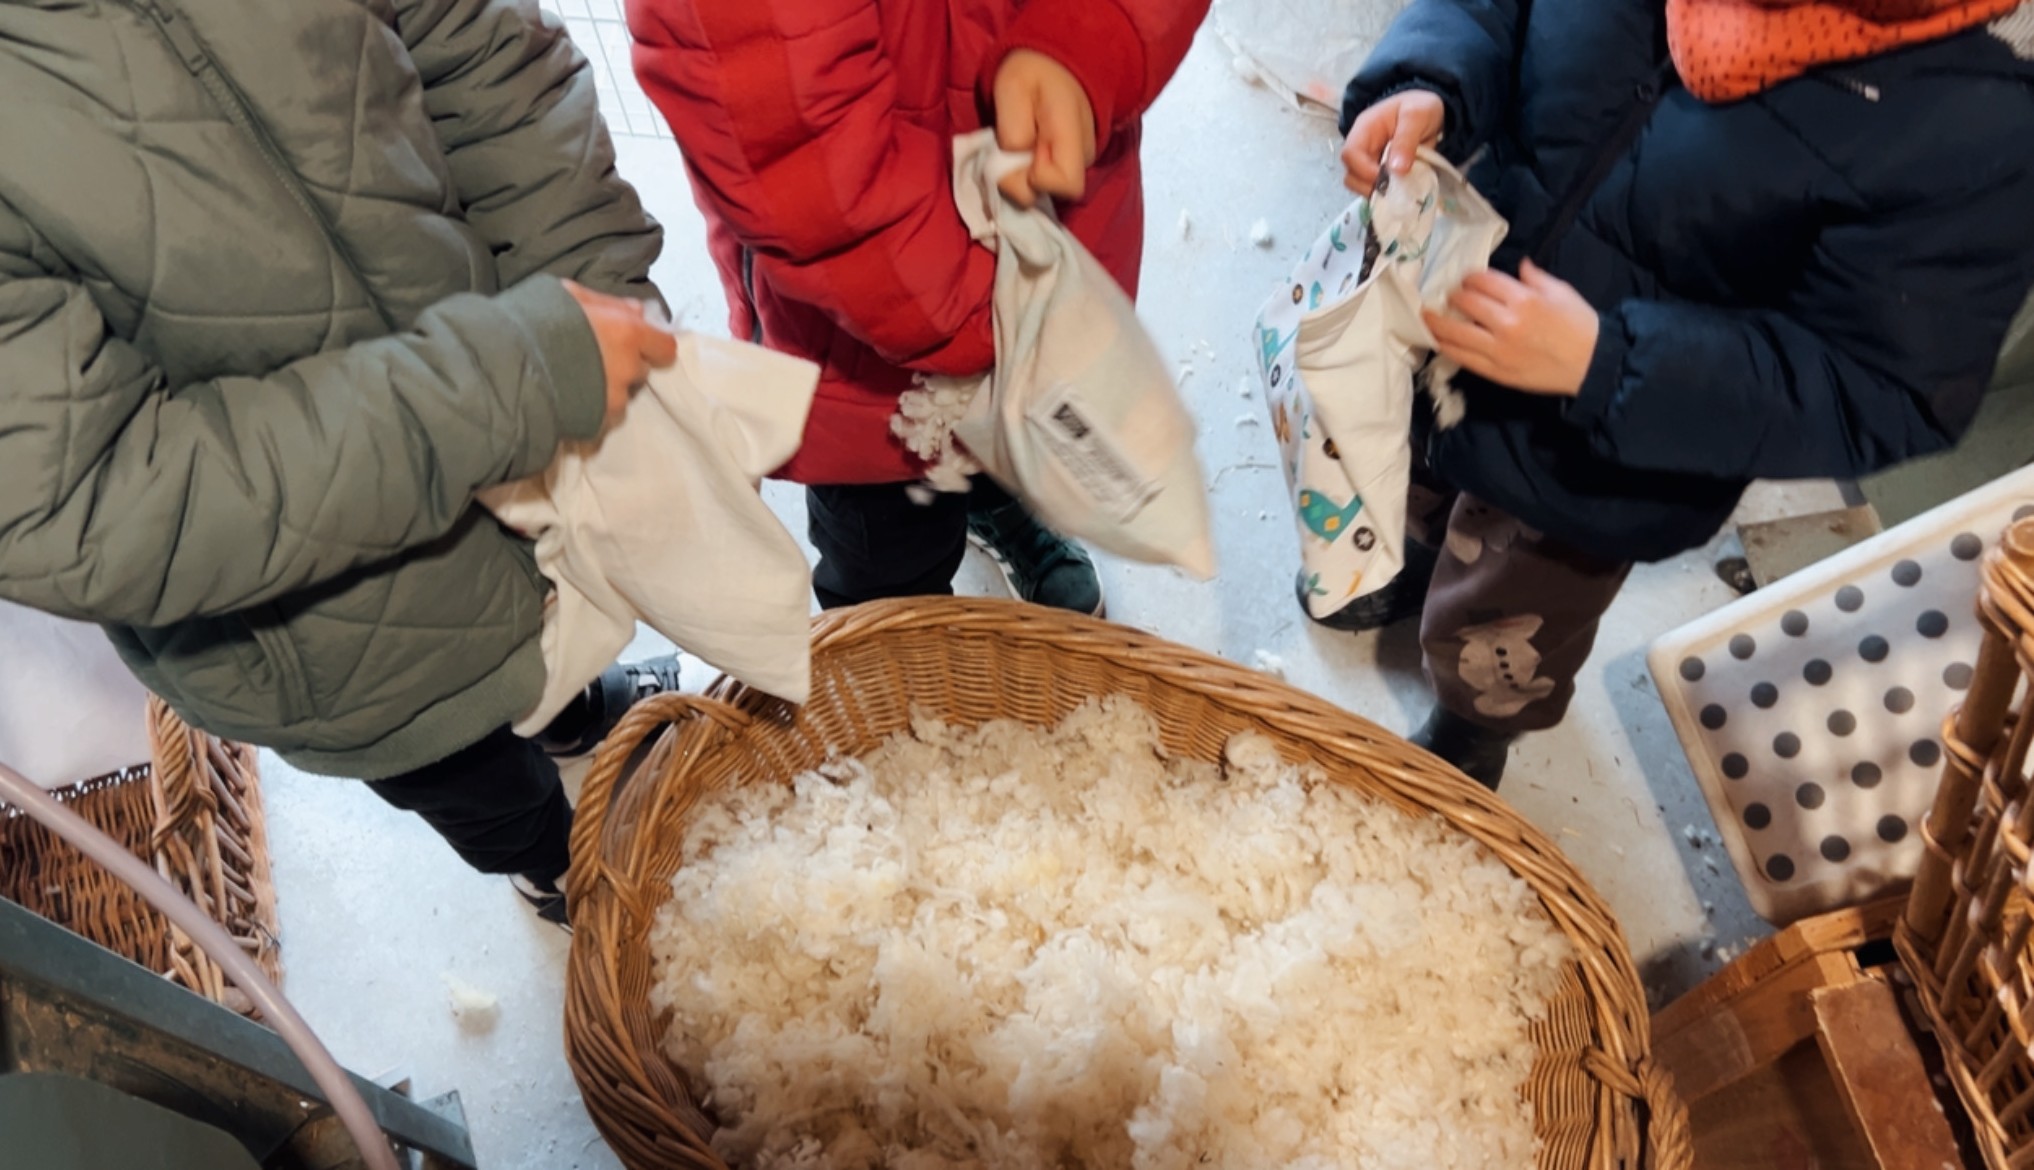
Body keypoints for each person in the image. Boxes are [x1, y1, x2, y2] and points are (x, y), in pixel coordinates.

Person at [0, 0, 683, 928]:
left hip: (522, 383)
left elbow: (474, 40)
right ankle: (551, 863)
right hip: (329, 628)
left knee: (551, 619)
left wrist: (592, 278)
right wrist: (510, 382)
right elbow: (88, 503)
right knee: (465, 770)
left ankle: (566, 712)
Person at [1327, 0, 2034, 787]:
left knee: (1512, 620)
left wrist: (1607, 364)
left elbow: (1876, 389)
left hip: (1607, 455)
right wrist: (1430, 80)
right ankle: (1409, 560)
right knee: (1416, 474)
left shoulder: (1977, 136)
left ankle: (1470, 727)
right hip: (1448, 316)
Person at [627, 0, 1210, 613]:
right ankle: (898, 621)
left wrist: (1094, 33)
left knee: (1008, 439)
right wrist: (980, 318)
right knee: (887, 556)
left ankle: (993, 495)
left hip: (1048, 191)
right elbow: (796, 146)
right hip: (863, 334)